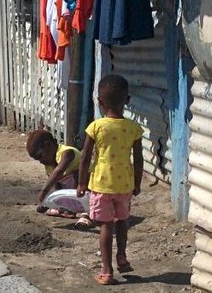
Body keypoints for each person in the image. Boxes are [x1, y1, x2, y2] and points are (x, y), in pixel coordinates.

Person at [77, 74, 144, 286]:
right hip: (124, 184)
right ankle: (122, 257)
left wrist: (81, 183)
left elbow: (85, 157)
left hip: (101, 184)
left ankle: (106, 271)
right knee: (122, 221)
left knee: (105, 226)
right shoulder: (133, 128)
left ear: (100, 101)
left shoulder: (96, 127)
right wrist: (137, 183)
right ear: (128, 100)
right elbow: (139, 159)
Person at [26, 129, 91, 225]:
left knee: (77, 174)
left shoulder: (67, 152)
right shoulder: (48, 166)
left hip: (86, 190)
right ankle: (65, 209)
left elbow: (59, 171)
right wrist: (53, 201)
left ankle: (86, 214)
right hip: (72, 195)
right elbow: (56, 185)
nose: (41, 161)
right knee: (56, 189)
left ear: (48, 144)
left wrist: (45, 190)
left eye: (40, 156)